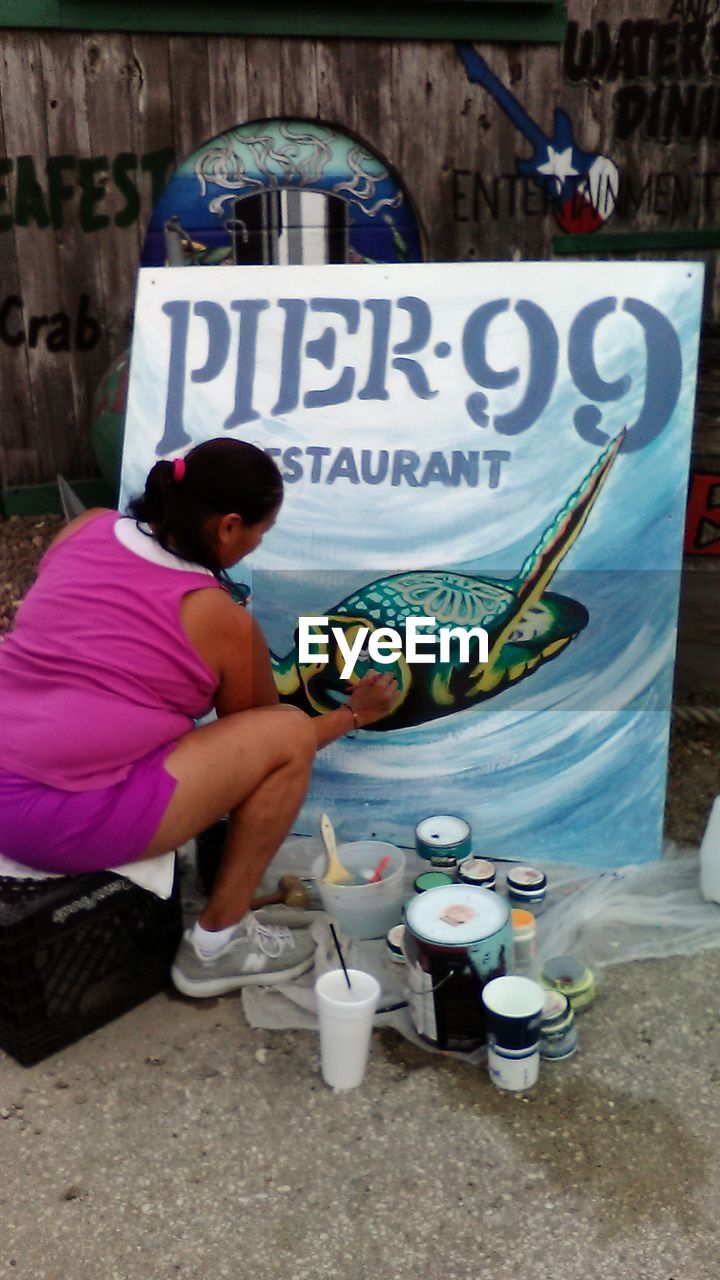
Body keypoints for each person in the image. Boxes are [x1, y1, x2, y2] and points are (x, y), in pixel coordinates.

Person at [0, 438, 397, 996]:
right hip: (54, 821)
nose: (259, 544)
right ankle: (217, 943)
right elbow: (272, 745)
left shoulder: (85, 525)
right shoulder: (219, 618)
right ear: (230, 527)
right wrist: (355, 712)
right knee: (282, 731)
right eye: (264, 531)